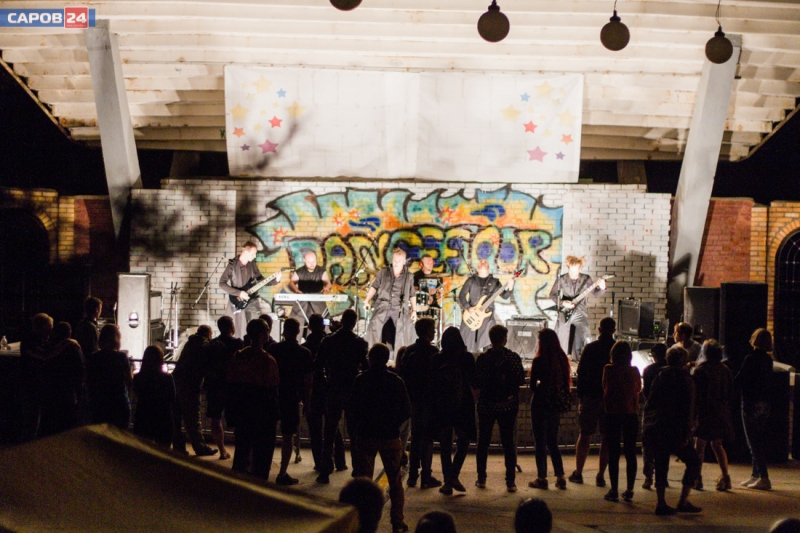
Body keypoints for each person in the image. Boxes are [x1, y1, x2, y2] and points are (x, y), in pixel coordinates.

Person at [350, 343, 411, 533]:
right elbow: (406, 410)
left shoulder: (361, 380)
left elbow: (352, 409)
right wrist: (393, 423)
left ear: (370, 358)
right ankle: (397, 522)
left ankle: (363, 521)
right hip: (389, 436)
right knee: (395, 482)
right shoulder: (396, 381)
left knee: (364, 482)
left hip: (366, 435)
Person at [642, 345, 701, 516]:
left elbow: (651, 402)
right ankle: (683, 500)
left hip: (658, 425)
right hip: (676, 427)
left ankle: (661, 502)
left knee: (661, 464)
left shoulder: (660, 376)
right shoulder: (686, 379)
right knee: (694, 461)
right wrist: (687, 431)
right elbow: (688, 407)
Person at [316, 308, 369, 483]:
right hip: (352, 390)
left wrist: (326, 383)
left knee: (329, 431)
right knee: (354, 433)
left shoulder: (328, 341)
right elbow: (365, 368)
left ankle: (325, 470)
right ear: (354, 323)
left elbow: (318, 365)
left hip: (334, 388)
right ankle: (357, 470)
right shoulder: (359, 343)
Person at [226, 318, 280, 480]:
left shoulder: (238, 356)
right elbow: (272, 389)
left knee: (242, 448)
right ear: (263, 335)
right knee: (262, 454)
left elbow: (231, 383)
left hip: (242, 411)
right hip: (262, 413)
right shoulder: (267, 360)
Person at [474, 325, 525, 492]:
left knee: (483, 442)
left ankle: (481, 478)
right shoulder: (512, 357)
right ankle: (510, 481)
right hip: (507, 405)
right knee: (508, 443)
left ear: (490, 339)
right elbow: (520, 380)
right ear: (504, 339)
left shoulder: (483, 358)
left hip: (486, 404)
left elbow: (477, 381)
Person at [569, 317, 615, 487]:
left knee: (585, 435)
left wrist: (581, 396)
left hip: (590, 398)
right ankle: (601, 475)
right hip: (609, 399)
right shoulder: (617, 348)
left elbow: (581, 373)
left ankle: (579, 472)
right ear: (614, 330)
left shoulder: (590, 348)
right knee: (606, 438)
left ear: (599, 329)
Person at [268, 317, 314, 485]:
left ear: (284, 330)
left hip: (273, 395)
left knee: (268, 433)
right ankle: (282, 472)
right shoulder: (304, 353)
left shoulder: (273, 349)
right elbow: (308, 381)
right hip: (292, 397)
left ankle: (262, 467)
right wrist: (307, 402)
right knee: (288, 436)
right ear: (298, 331)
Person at [397, 317, 440, 489]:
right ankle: (426, 476)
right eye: (433, 329)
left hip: (414, 401)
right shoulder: (433, 352)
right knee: (427, 439)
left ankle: (413, 475)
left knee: (415, 439)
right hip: (429, 401)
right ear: (428, 332)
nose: (434, 332)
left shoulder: (409, 351)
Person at [432, 327, 476, 496]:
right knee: (464, 441)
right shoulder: (466, 358)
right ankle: (453, 475)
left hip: (442, 405)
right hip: (463, 404)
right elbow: (474, 381)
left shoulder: (437, 359)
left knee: (445, 444)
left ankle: (447, 480)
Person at [528, 328, 571, 491]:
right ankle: (560, 477)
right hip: (555, 404)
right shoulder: (562, 358)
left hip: (540, 403)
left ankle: (542, 478)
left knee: (540, 442)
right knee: (552, 441)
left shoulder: (539, 360)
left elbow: (532, 386)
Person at [304, 313, 347, 472]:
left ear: (309, 327)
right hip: (330, 389)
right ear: (323, 326)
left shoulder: (306, 347)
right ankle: (340, 461)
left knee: (315, 430)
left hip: (313, 390)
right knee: (333, 427)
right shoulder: (331, 343)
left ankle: (320, 462)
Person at [735, 328, 775, 491]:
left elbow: (741, 379)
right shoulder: (768, 360)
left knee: (753, 442)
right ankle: (755, 475)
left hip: (750, 402)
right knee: (758, 439)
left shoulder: (750, 358)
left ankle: (764, 477)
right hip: (764, 403)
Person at [602, 341, 641, 503]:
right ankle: (630, 489)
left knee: (614, 453)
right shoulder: (634, 370)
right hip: (631, 413)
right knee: (630, 452)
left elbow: (605, 387)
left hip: (612, 413)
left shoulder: (608, 369)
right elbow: (638, 389)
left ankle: (614, 490)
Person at [219, 241, 282, 339]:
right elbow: (221, 283)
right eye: (253, 254)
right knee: (238, 329)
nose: (255, 256)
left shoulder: (252, 264)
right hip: (238, 301)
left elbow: (260, 280)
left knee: (258, 326)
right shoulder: (232, 265)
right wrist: (239, 293)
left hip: (252, 299)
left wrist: (275, 280)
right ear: (246, 252)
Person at [693, 339, 734, 491]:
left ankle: (697, 478)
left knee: (699, 446)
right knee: (717, 445)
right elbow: (731, 392)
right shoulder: (725, 370)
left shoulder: (700, 370)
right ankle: (725, 477)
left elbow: (696, 394)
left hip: (705, 411)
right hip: (721, 411)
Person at [549, 256, 606, 361]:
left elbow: (596, 293)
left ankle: (590, 359)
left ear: (580, 269)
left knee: (587, 336)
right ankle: (560, 359)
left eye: (576, 271)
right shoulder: (561, 279)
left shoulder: (586, 278)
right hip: (565, 311)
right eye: (571, 271)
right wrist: (563, 303)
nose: (573, 274)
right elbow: (552, 295)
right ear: (568, 268)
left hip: (580, 311)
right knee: (561, 337)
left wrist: (602, 288)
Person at [171, 325, 217, 457]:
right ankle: (200, 447)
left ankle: (178, 447)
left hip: (176, 383)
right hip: (191, 386)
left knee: (176, 418)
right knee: (193, 419)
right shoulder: (204, 346)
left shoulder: (189, 343)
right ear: (208, 334)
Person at [203, 315, 243, 460]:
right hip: (233, 387)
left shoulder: (212, 344)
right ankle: (240, 452)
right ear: (232, 327)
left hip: (215, 386)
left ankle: (222, 450)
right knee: (238, 421)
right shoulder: (238, 343)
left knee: (216, 419)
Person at [364, 247, 416, 357]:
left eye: (399, 261)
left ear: (404, 262)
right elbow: (374, 286)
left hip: (400, 309)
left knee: (406, 330)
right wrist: (367, 300)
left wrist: (414, 310)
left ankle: (400, 358)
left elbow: (412, 294)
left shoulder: (409, 276)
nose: (396, 263)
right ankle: (373, 356)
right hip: (383, 306)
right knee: (375, 326)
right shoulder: (383, 272)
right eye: (395, 260)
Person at [38, 321, 85, 438]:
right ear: (69, 333)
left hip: (50, 389)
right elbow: (80, 369)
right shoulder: (73, 347)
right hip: (68, 389)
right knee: (67, 422)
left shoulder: (48, 347)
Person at [458, 259, 515, 353]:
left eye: (485, 261)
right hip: (471, 315)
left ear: (488, 267)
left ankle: (487, 359)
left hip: (487, 318)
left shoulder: (495, 282)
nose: (483, 261)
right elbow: (461, 295)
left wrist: (511, 287)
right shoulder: (471, 280)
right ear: (478, 267)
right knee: (466, 341)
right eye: (481, 261)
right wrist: (468, 307)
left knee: (488, 342)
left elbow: (505, 296)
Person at [85, 324, 133, 430]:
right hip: (118, 403)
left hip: (99, 404)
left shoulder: (93, 358)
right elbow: (129, 382)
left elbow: (88, 381)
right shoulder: (121, 357)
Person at [19, 313, 54, 441]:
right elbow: (44, 355)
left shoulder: (43, 339)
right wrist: (67, 344)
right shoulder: (29, 340)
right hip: (30, 384)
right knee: (32, 419)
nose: (50, 331)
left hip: (38, 383)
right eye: (48, 327)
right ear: (41, 326)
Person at [132, 345, 175, 447]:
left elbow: (136, 392)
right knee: (163, 448)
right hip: (163, 415)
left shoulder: (138, 377)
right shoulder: (167, 378)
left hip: (143, 414)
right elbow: (172, 397)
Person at [640, 342, 667, 490]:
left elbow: (646, 393)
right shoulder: (672, 370)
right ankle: (662, 478)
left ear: (654, 355)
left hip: (651, 410)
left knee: (648, 444)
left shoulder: (649, 370)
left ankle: (648, 477)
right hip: (668, 411)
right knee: (663, 446)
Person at [288, 250, 332, 334]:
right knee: (296, 321)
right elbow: (291, 283)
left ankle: (322, 339)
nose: (312, 264)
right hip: (302, 300)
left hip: (318, 301)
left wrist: (327, 288)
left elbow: (328, 283)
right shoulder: (300, 271)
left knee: (322, 322)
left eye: (314, 262)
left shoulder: (321, 271)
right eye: (309, 262)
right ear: (304, 261)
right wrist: (296, 290)